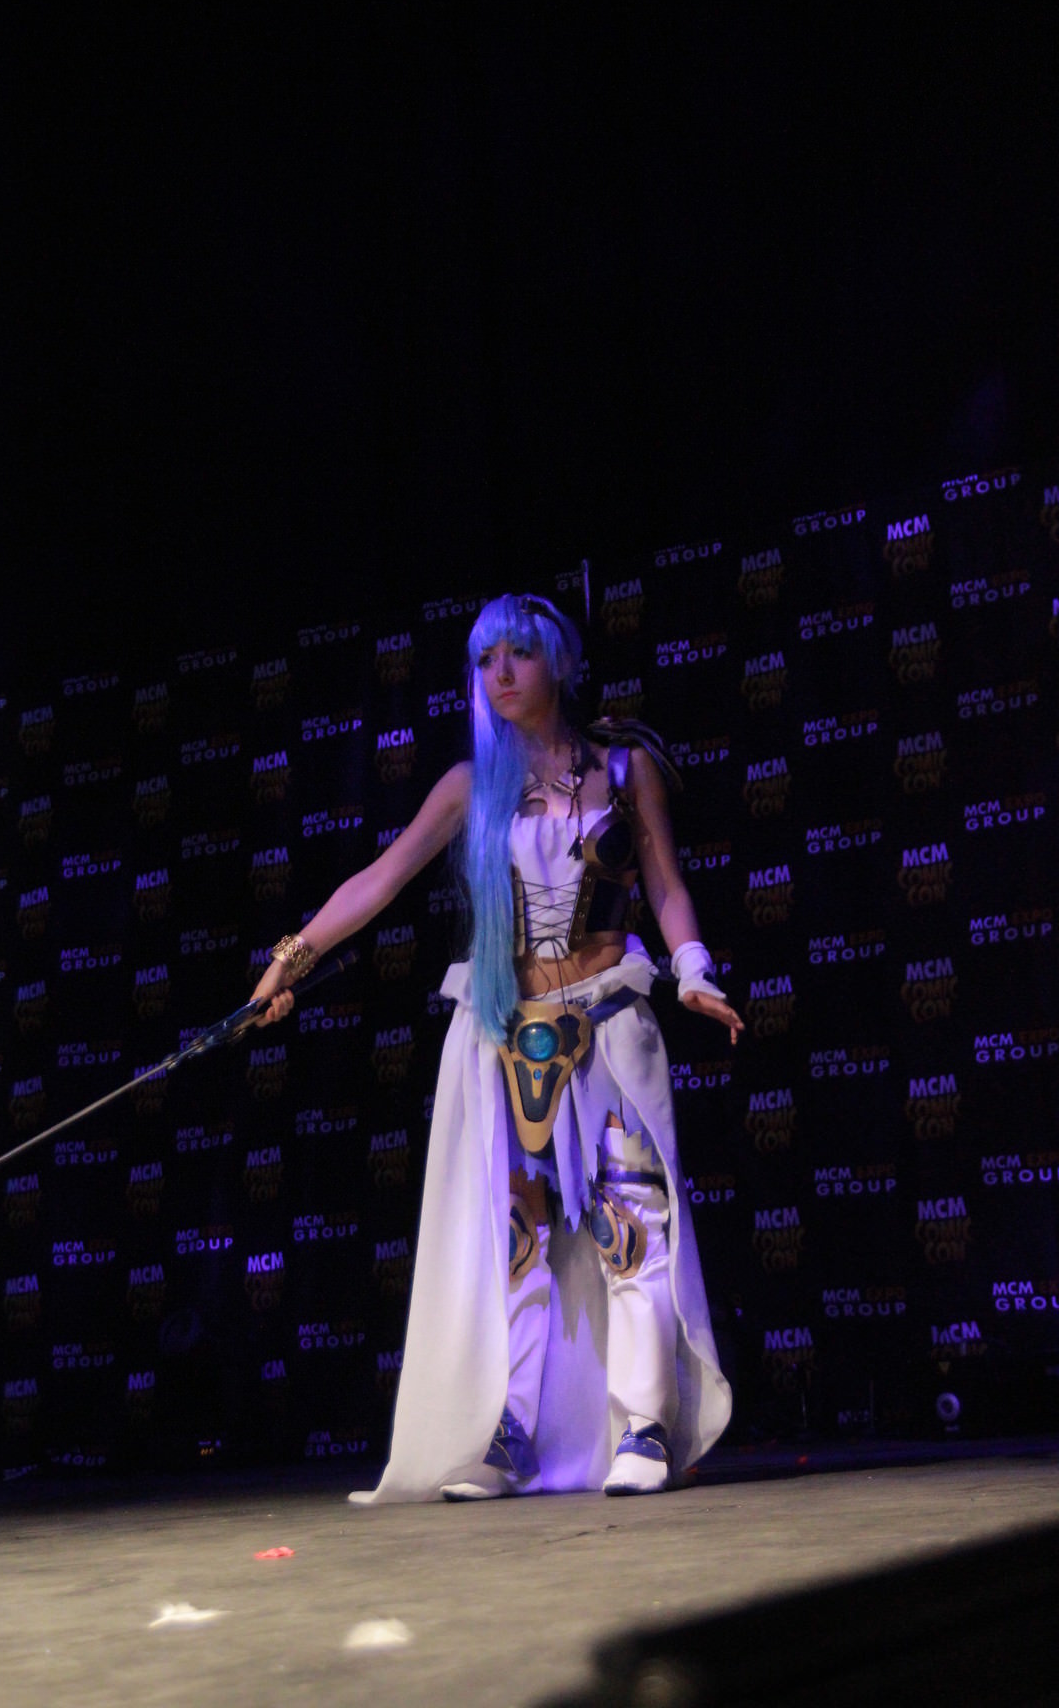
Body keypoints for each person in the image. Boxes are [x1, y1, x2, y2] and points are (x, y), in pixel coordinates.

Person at [251, 592, 741, 1502]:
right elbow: (380, 879)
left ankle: (643, 1423)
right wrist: (291, 958)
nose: (500, 673)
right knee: (520, 1239)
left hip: (608, 1022)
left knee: (630, 1218)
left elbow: (666, 885)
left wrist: (693, 969)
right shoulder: (471, 786)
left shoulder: (625, 768)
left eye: (518, 653)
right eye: (484, 660)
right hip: (509, 1032)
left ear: (561, 660)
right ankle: (512, 1435)